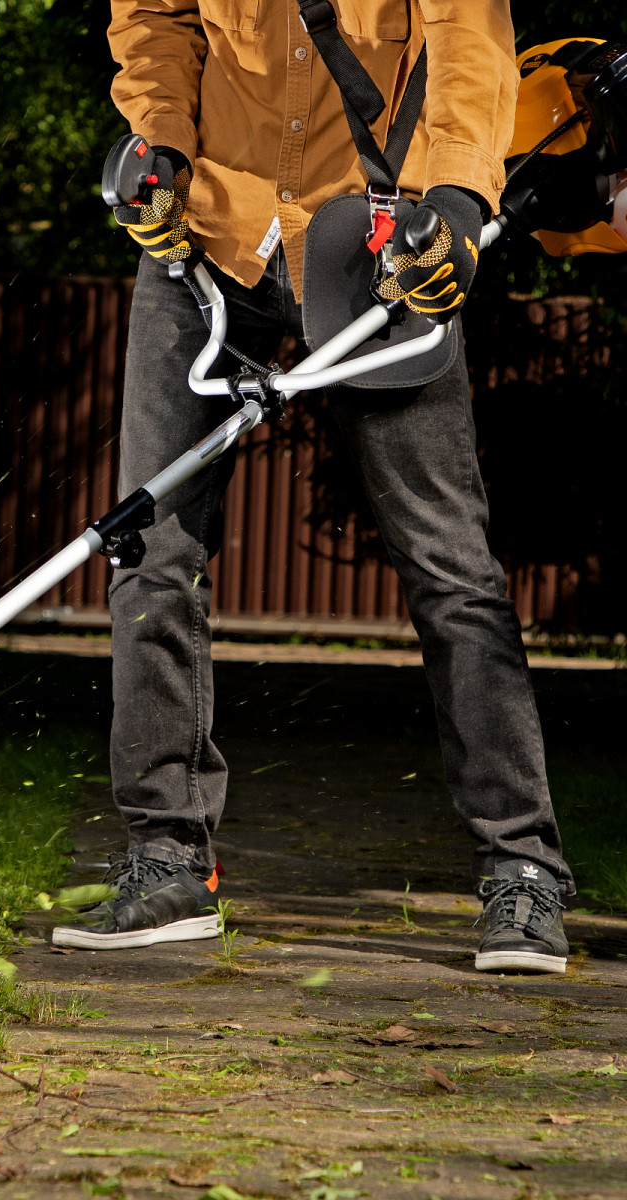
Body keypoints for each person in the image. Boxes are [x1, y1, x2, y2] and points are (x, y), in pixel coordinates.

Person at [52, 0, 575, 974]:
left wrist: (459, 204)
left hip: (383, 247)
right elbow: (155, 20)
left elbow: (469, 43)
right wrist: (160, 147)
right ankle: (168, 858)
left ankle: (523, 869)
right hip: (209, 239)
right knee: (150, 553)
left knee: (450, 569)